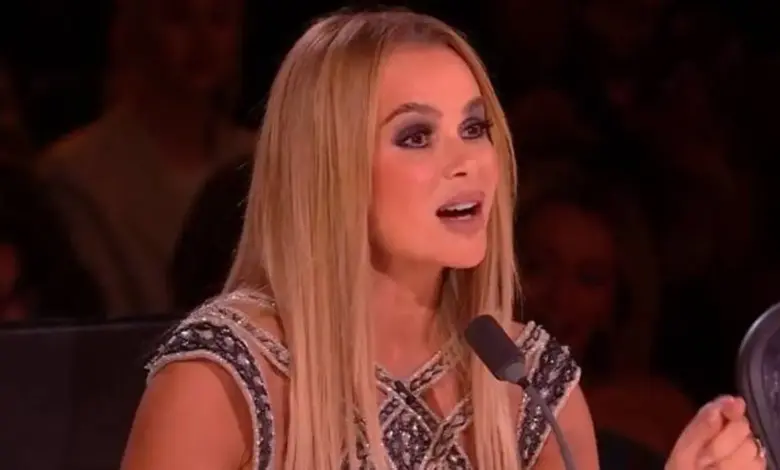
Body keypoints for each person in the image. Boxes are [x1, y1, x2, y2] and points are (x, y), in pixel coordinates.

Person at [121, 10, 766, 470]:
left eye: (475, 128)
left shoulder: (530, 384)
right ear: (328, 170)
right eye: (416, 136)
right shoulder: (222, 379)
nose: (467, 163)